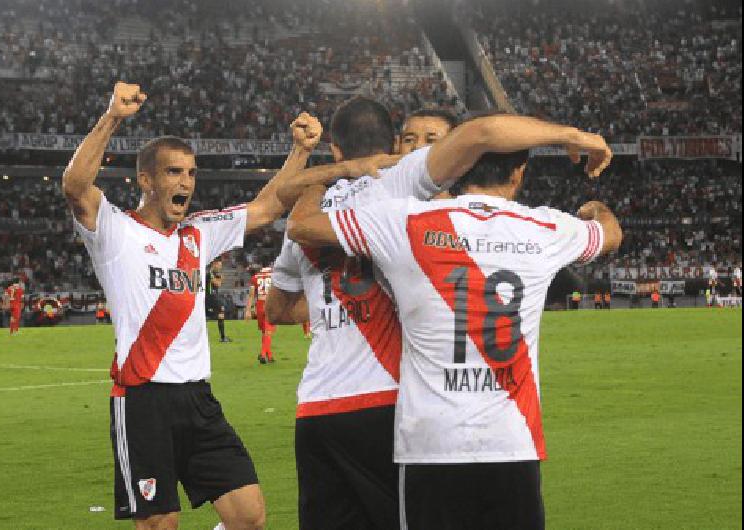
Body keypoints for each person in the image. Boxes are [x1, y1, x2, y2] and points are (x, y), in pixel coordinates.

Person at [270, 105, 613, 529]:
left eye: (433, 142)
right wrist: (574, 137)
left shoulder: (366, 211)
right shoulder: (407, 203)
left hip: (322, 408)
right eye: (411, 141)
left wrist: (313, 166)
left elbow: (280, 294)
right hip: (402, 407)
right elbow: (486, 132)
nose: (421, 151)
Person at [62, 81, 323, 530]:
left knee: (249, 517)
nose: (185, 182)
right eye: (173, 173)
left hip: (199, 399)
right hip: (143, 401)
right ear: (146, 180)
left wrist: (299, 152)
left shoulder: (199, 233)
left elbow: (265, 208)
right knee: (160, 525)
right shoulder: (115, 230)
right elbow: (75, 186)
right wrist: (113, 118)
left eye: (191, 173)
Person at [245, 265, 275, 364]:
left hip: (260, 304)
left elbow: (251, 295)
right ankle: (262, 354)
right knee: (268, 331)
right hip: (271, 303)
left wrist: (248, 310)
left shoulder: (254, 278)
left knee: (264, 331)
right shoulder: (274, 275)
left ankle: (269, 355)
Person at [207, 258, 231, 342]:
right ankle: (223, 337)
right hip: (211, 296)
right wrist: (220, 278)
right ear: (214, 264)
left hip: (214, 296)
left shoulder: (214, 274)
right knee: (221, 312)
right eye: (219, 265)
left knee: (221, 313)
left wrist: (219, 278)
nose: (220, 267)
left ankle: (223, 337)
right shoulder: (209, 273)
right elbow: (217, 283)